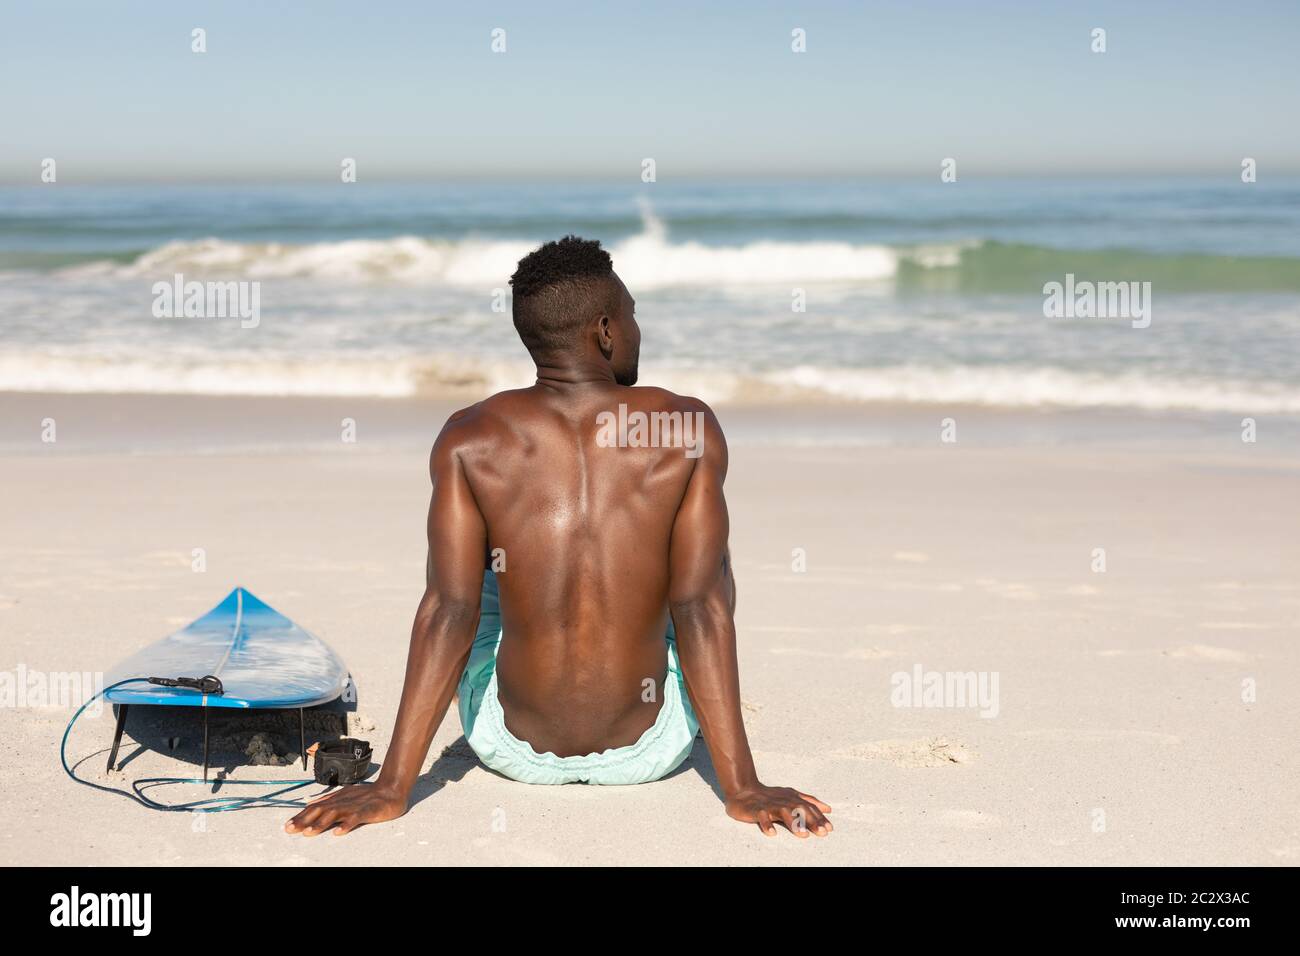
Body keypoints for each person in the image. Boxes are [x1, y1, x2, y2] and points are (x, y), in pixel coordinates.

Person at [286, 236, 831, 838]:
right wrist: (744, 787)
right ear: (604, 330)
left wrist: (393, 786)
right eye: (631, 316)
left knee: (477, 580)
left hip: (508, 744)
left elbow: (449, 611)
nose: (636, 330)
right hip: (652, 747)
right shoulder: (685, 427)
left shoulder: (470, 436)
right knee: (703, 572)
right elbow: (700, 608)